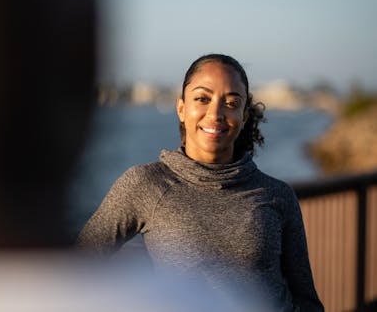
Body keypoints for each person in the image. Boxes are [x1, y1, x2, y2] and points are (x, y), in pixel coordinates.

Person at [77, 54, 325, 311]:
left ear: (244, 116)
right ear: (182, 109)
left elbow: (307, 300)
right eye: (202, 99)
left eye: (231, 102)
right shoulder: (145, 184)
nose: (216, 113)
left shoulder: (277, 194)